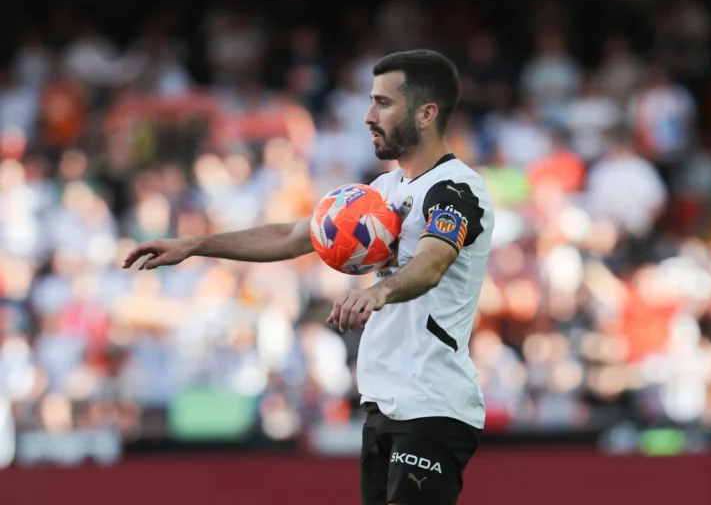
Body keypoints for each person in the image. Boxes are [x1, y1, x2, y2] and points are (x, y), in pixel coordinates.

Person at [123, 49, 495, 505]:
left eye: (383, 103)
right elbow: (290, 235)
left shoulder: (456, 189)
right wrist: (194, 245)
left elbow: (434, 262)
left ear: (425, 113)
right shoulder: (381, 191)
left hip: (433, 402)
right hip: (385, 400)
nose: (368, 116)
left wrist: (378, 292)